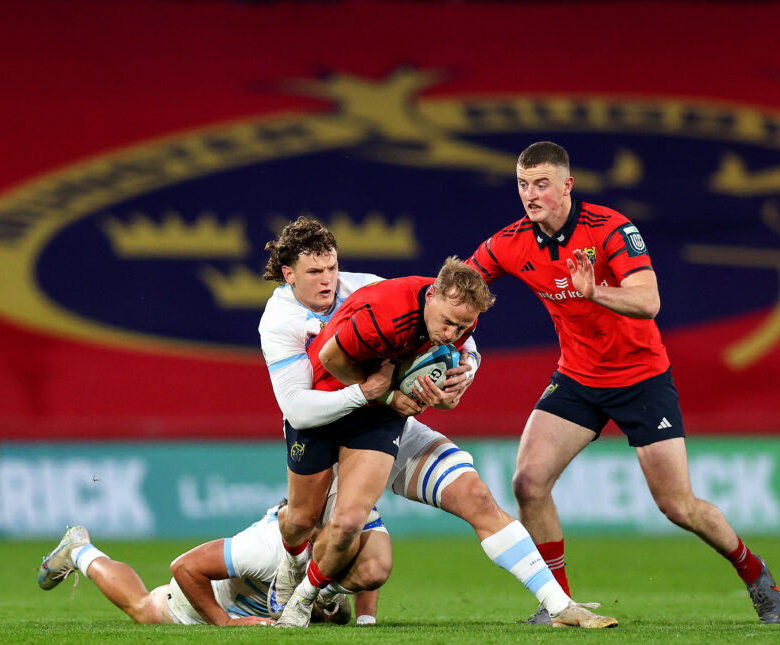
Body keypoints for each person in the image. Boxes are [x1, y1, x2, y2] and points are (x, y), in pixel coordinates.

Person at [467, 141, 780, 625]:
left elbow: (649, 301)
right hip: (577, 378)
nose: (530, 195)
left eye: (541, 184)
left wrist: (594, 290)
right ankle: (560, 604)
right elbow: (458, 287)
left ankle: (755, 572)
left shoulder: (612, 229)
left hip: (642, 379)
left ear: (567, 185)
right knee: (528, 483)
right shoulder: (509, 242)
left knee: (678, 506)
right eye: (522, 184)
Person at [259, 216, 617, 629]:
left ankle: (559, 605)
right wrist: (380, 393)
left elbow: (458, 336)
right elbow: (299, 409)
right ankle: (290, 569)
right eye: (314, 272)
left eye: (332, 268)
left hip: (380, 419)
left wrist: (464, 373)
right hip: (324, 417)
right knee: (303, 522)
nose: (327, 279)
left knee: (466, 501)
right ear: (289, 275)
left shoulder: (371, 287)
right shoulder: (280, 320)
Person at [36, 499, 388, 626]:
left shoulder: (336, 530)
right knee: (144, 609)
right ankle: (79, 550)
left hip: (270, 603)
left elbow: (363, 565)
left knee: (338, 616)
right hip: (207, 601)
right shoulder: (265, 549)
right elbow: (184, 566)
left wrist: (367, 622)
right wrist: (224, 623)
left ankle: (319, 601)